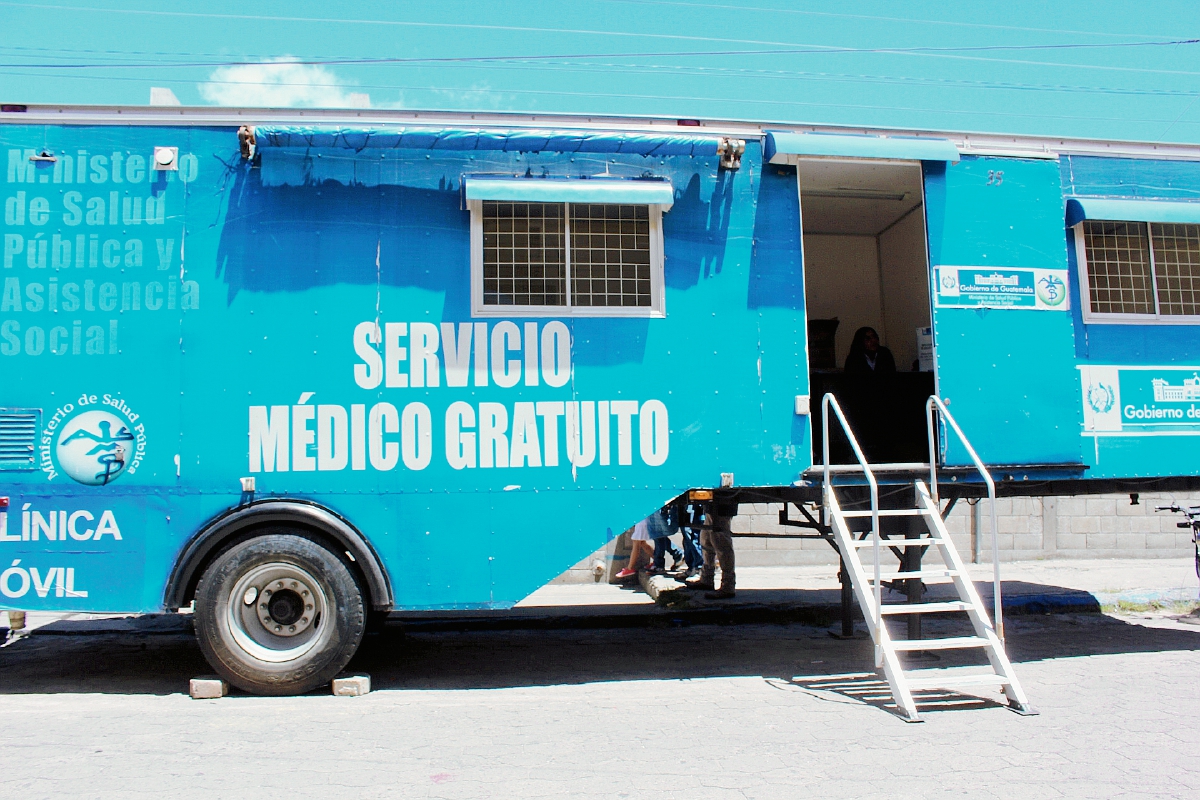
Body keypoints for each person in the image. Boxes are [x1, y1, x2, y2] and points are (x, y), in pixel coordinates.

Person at [686, 501, 737, 599]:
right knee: (706, 537)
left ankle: (728, 585)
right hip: (714, 504)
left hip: (723, 502)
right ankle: (707, 579)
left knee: (720, 541)